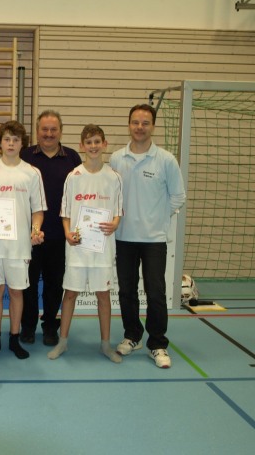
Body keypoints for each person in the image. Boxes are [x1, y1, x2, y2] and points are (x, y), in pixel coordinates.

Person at [109, 104, 186, 369]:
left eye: (145, 123)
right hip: (124, 237)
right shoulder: (116, 159)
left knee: (155, 293)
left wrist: (158, 218)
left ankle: (157, 343)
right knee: (126, 291)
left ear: (153, 126)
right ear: (129, 125)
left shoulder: (166, 160)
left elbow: (178, 196)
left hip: (154, 240)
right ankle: (133, 335)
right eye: (135, 122)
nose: (139, 127)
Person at [47, 124, 122, 363]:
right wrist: (68, 234)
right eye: (88, 142)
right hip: (77, 246)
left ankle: (105, 345)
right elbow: (65, 212)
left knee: (103, 295)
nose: (93, 146)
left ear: (104, 144)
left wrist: (114, 224)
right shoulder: (74, 176)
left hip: (103, 247)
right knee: (70, 293)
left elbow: (118, 211)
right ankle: (63, 342)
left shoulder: (114, 177)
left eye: (97, 141)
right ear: (81, 146)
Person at [0, 120, 47, 360]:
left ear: (22, 143)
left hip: (19, 246)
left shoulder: (32, 172)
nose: (11, 144)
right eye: (7, 139)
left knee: (17, 292)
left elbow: (38, 210)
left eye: (16, 140)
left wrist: (35, 230)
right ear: (0, 142)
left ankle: (14, 338)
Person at [20, 110, 81, 347]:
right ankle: (27, 325)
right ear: (37, 131)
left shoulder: (72, 158)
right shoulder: (25, 155)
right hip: (28, 234)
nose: (48, 134)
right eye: (44, 129)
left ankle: (49, 326)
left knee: (54, 284)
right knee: (27, 283)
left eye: (53, 129)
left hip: (59, 234)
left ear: (61, 131)